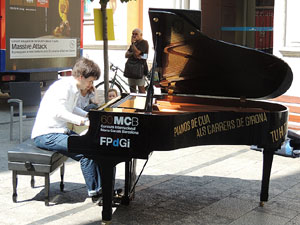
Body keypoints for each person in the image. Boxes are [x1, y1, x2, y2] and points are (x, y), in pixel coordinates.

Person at [31, 57, 103, 202]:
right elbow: (59, 112)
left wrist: (88, 115)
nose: (91, 85)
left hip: (58, 131)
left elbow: (72, 108)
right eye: (90, 81)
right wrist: (85, 121)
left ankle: (102, 189)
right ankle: (95, 193)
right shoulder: (63, 87)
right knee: (85, 152)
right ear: (81, 77)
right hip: (46, 134)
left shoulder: (73, 87)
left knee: (93, 147)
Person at [125, 28, 149, 93]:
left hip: (139, 69)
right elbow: (126, 55)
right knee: (132, 89)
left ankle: (143, 102)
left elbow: (137, 53)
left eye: (136, 34)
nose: (134, 36)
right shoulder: (134, 44)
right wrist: (134, 54)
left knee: (141, 88)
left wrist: (133, 47)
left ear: (141, 35)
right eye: (133, 34)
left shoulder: (144, 42)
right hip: (131, 69)